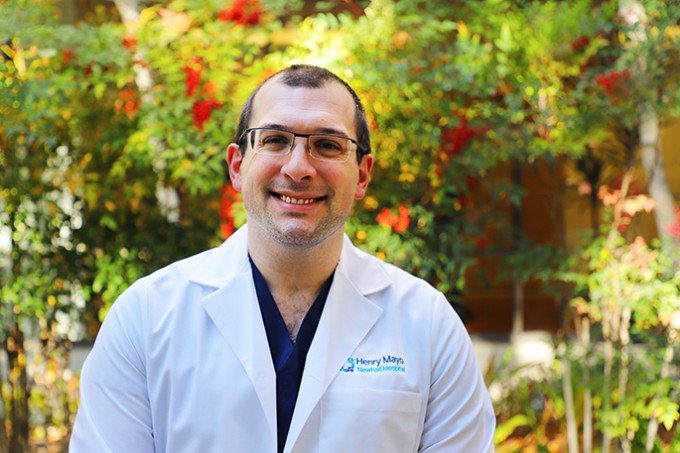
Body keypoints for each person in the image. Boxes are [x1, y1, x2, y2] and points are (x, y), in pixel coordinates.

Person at [70, 64, 496, 452]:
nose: (298, 168)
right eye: (275, 140)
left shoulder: (428, 325)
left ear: (363, 174)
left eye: (327, 145)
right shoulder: (145, 318)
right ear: (237, 166)